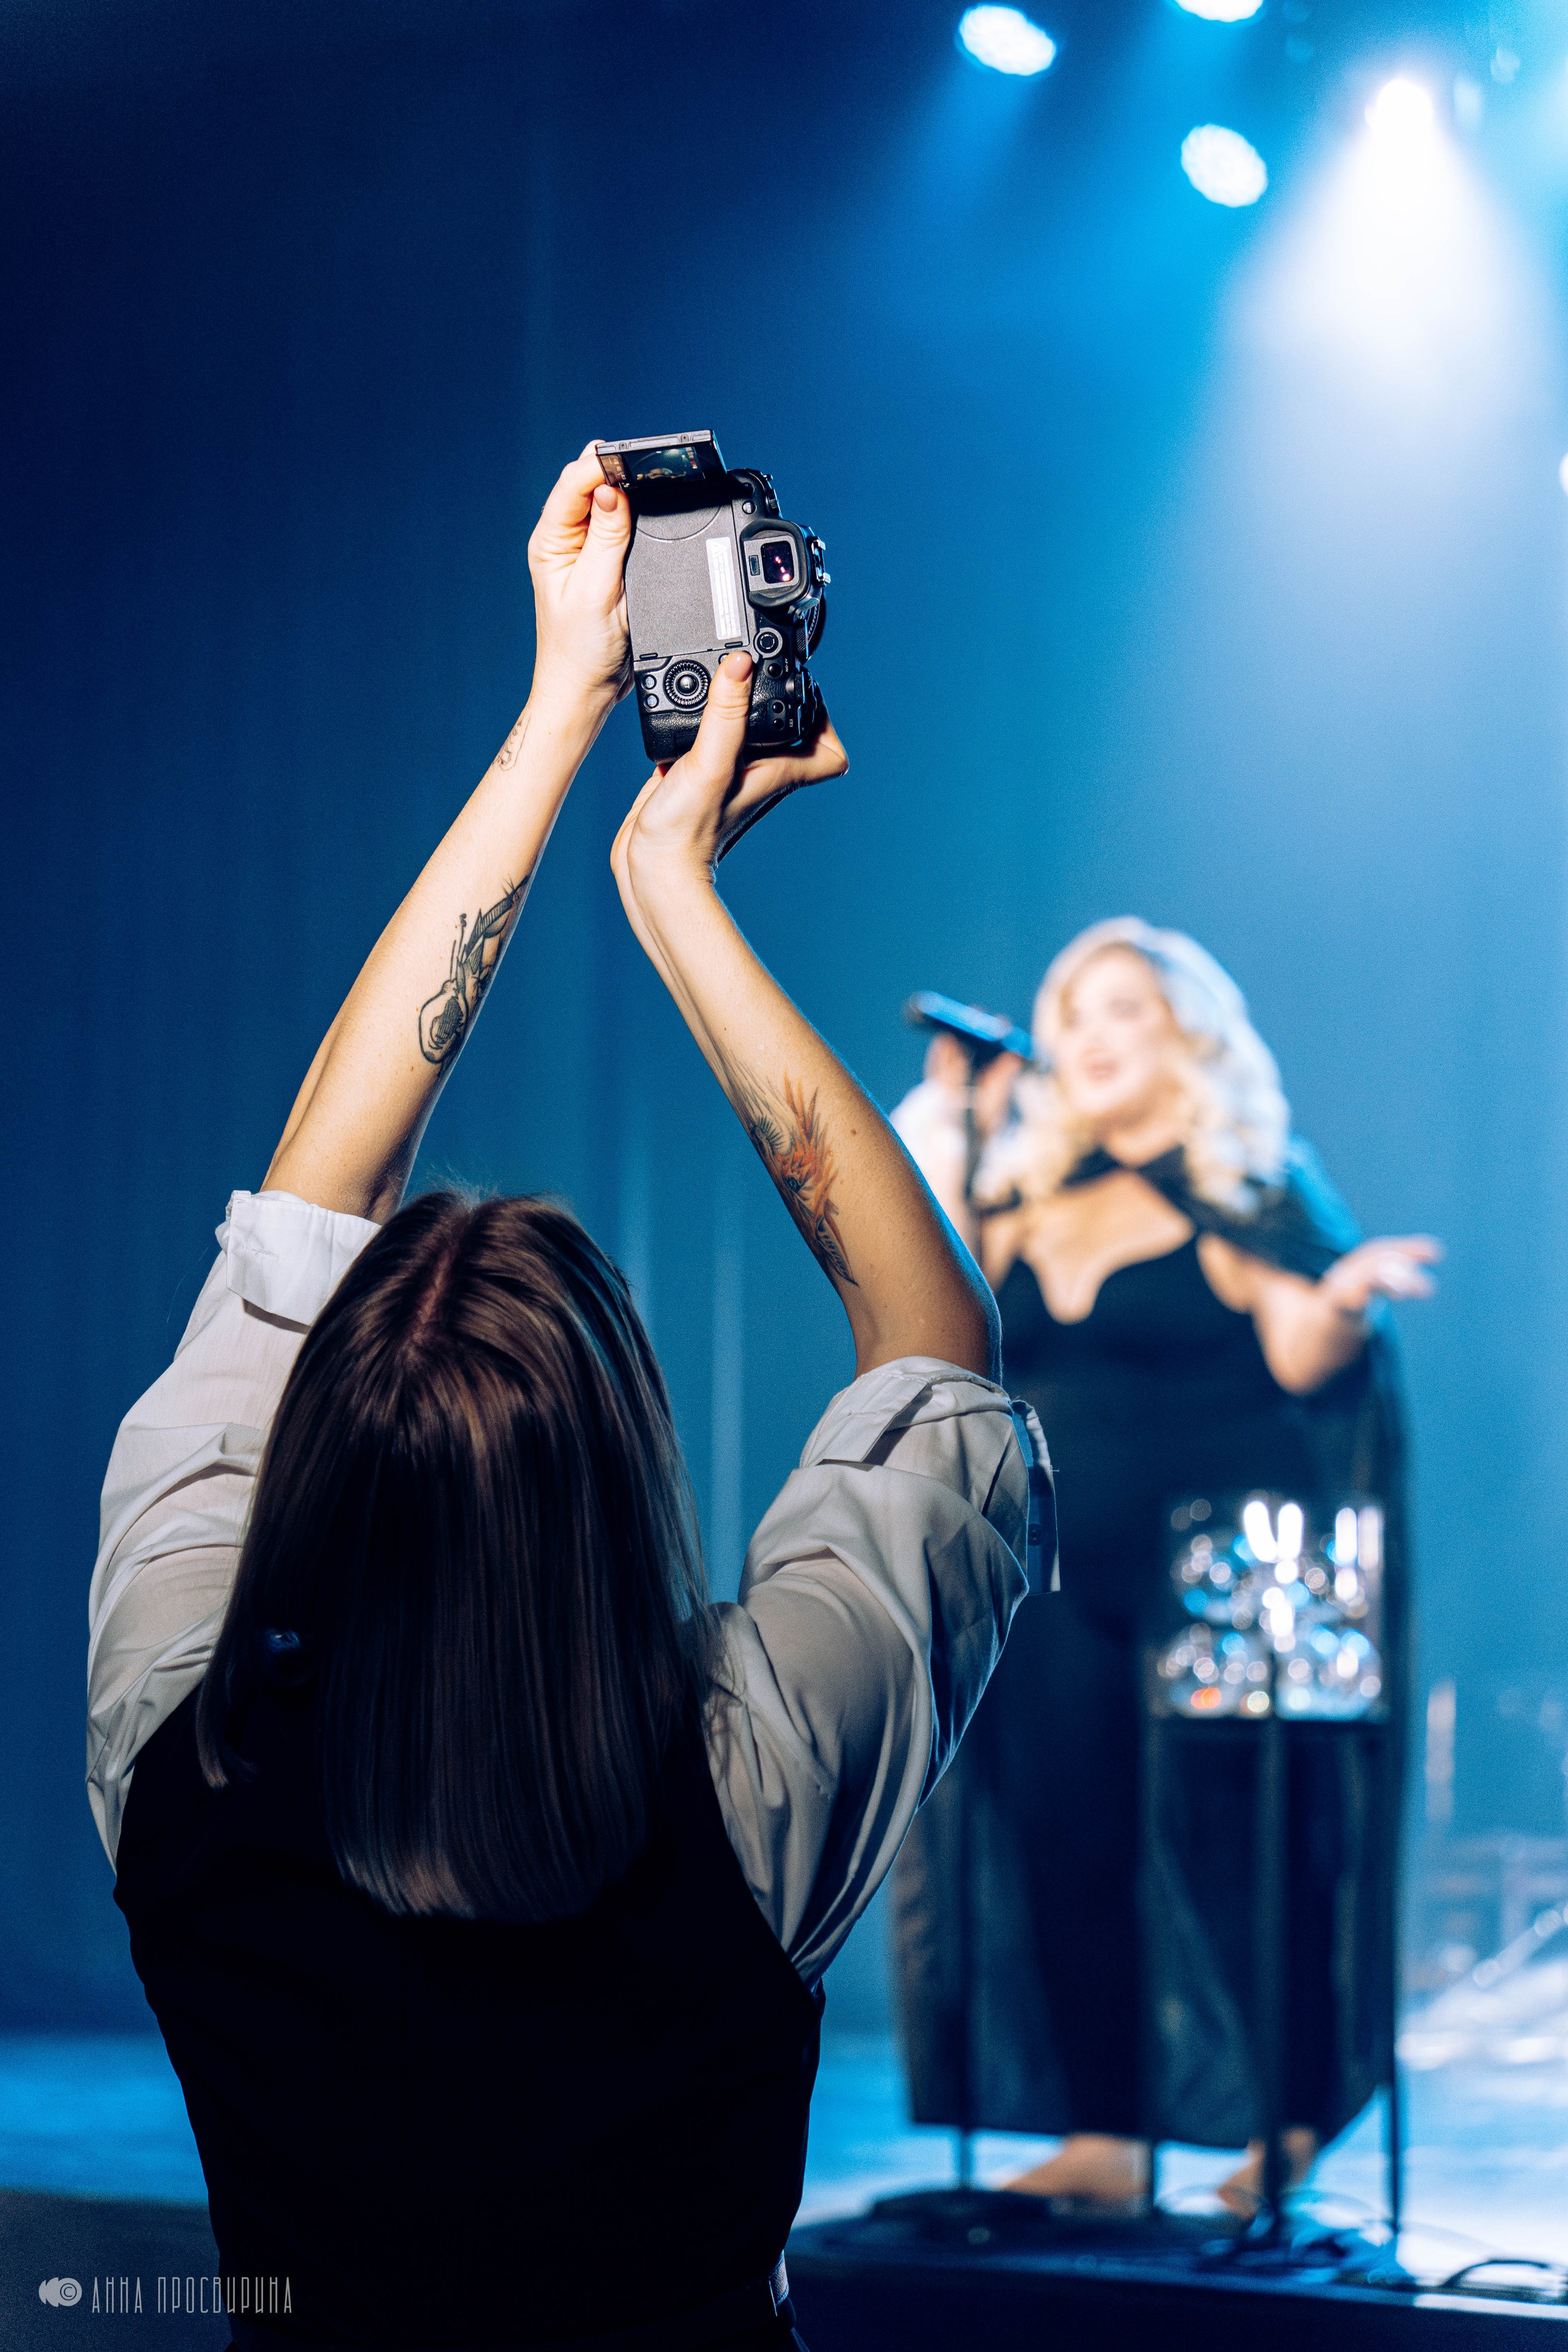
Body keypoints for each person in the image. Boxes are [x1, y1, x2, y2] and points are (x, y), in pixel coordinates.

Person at [85, 448, 1036, 2352]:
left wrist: (554, 711)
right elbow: (939, 1347)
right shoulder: (755, 1780)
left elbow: (303, 1212)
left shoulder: (171, 1751)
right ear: (626, 1474)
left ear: (313, 1475)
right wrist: (665, 886)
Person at [888, 920, 1436, 2214]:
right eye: (1069, 1011)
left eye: (1122, 1008)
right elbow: (941, 1314)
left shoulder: (1240, 1183)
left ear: (1186, 1036)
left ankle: (1291, 2124)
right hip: (1057, 1572)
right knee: (1061, 1838)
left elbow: (1301, 1354)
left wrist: (1344, 1292)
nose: (1087, 1032)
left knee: (1242, 1843)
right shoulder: (1016, 1198)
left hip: (1229, 1565)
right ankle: (1103, 2134)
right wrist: (958, 1123)